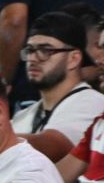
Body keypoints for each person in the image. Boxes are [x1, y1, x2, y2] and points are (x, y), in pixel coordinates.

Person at [13, 12, 104, 154]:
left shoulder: (93, 103)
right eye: (30, 50)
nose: (33, 58)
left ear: (73, 59)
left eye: (45, 50)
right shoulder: (22, 117)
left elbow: (54, 145)